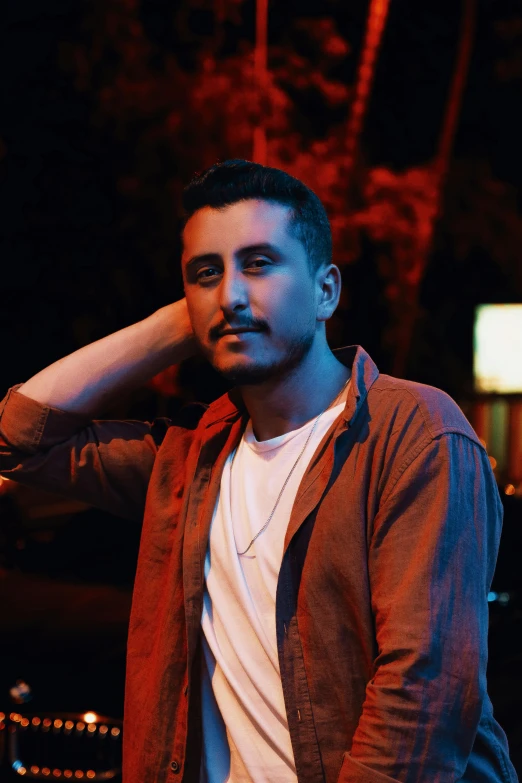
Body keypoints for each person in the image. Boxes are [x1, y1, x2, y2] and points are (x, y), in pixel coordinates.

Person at [0, 159, 517, 783]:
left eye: (259, 263)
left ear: (326, 290)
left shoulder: (414, 431)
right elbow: (20, 438)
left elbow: (424, 691)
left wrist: (218, 299)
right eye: (206, 272)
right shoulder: (190, 460)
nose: (231, 294)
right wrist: (181, 322)